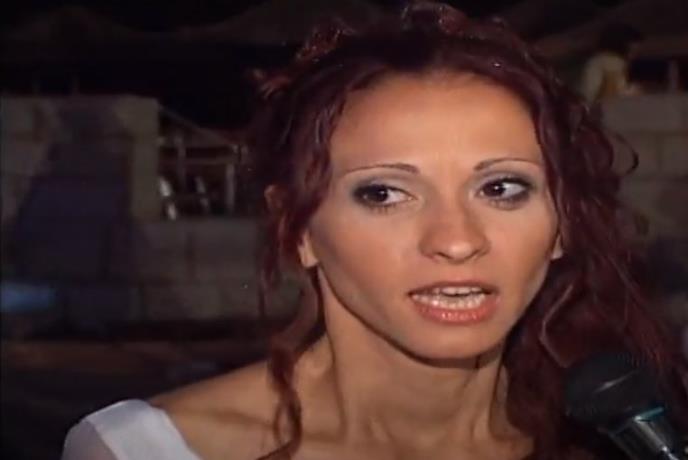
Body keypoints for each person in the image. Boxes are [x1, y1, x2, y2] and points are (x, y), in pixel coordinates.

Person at [62, 3, 688, 459]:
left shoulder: (623, 441)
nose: (456, 240)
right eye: (384, 193)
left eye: (501, 188)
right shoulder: (148, 450)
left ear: (560, 225)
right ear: (298, 228)